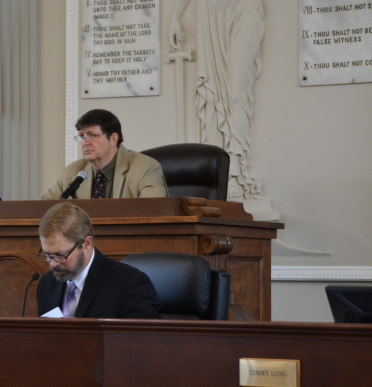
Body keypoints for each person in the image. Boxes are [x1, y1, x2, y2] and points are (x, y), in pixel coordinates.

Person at [169, 0, 265, 199]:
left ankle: (236, 169)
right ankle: (220, 174)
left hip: (244, 7)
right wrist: (176, 17)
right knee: (212, 93)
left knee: (237, 92)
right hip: (210, 9)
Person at [36, 202, 161, 319]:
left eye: (61, 255)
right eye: (48, 255)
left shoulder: (129, 284)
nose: (53, 264)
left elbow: (149, 340)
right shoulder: (47, 284)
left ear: (87, 244)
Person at [39, 109, 168, 200]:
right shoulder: (73, 171)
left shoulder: (145, 168)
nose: (85, 143)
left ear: (113, 139)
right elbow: (43, 207)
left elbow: (154, 213)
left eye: (92, 136)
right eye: (82, 136)